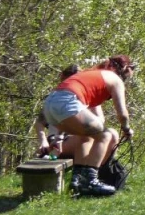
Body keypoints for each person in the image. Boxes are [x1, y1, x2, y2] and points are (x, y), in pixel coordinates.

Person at [39, 55, 136, 196]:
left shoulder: (90, 75)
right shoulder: (115, 80)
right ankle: (90, 181)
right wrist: (126, 128)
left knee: (87, 136)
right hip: (67, 103)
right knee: (105, 135)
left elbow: (61, 105)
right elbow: (122, 113)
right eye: (131, 69)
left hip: (50, 103)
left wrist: (57, 138)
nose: (131, 73)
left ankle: (77, 181)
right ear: (125, 68)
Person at [33, 65, 120, 164]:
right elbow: (39, 123)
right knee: (87, 137)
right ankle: (82, 174)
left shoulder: (89, 95)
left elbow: (100, 122)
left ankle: (97, 170)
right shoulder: (59, 97)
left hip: (81, 136)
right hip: (58, 142)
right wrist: (43, 142)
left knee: (112, 134)